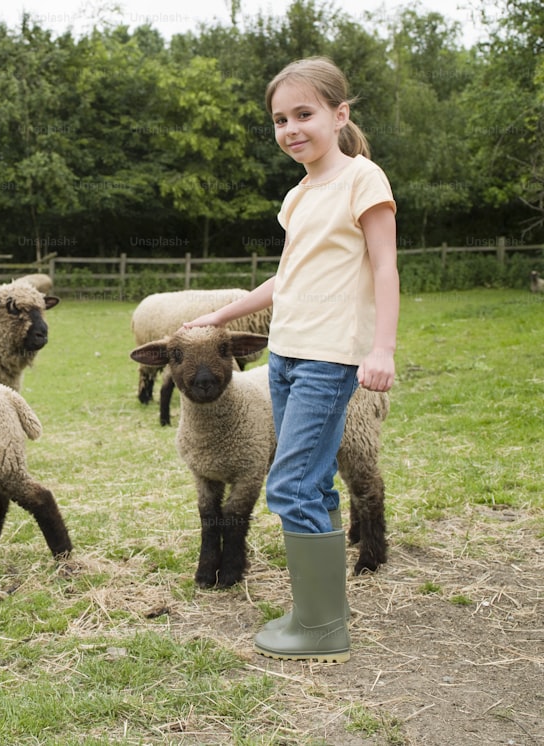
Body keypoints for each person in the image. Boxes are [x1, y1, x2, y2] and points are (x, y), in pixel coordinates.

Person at [182, 56, 399, 663]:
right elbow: (284, 280)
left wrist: (381, 347)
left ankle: (322, 627)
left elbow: (384, 265)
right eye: (280, 119)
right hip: (285, 356)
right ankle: (320, 611)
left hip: (331, 360)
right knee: (315, 480)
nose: (291, 128)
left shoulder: (363, 179)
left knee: (291, 483)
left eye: (304, 114)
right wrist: (219, 316)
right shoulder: (299, 194)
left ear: (339, 114)